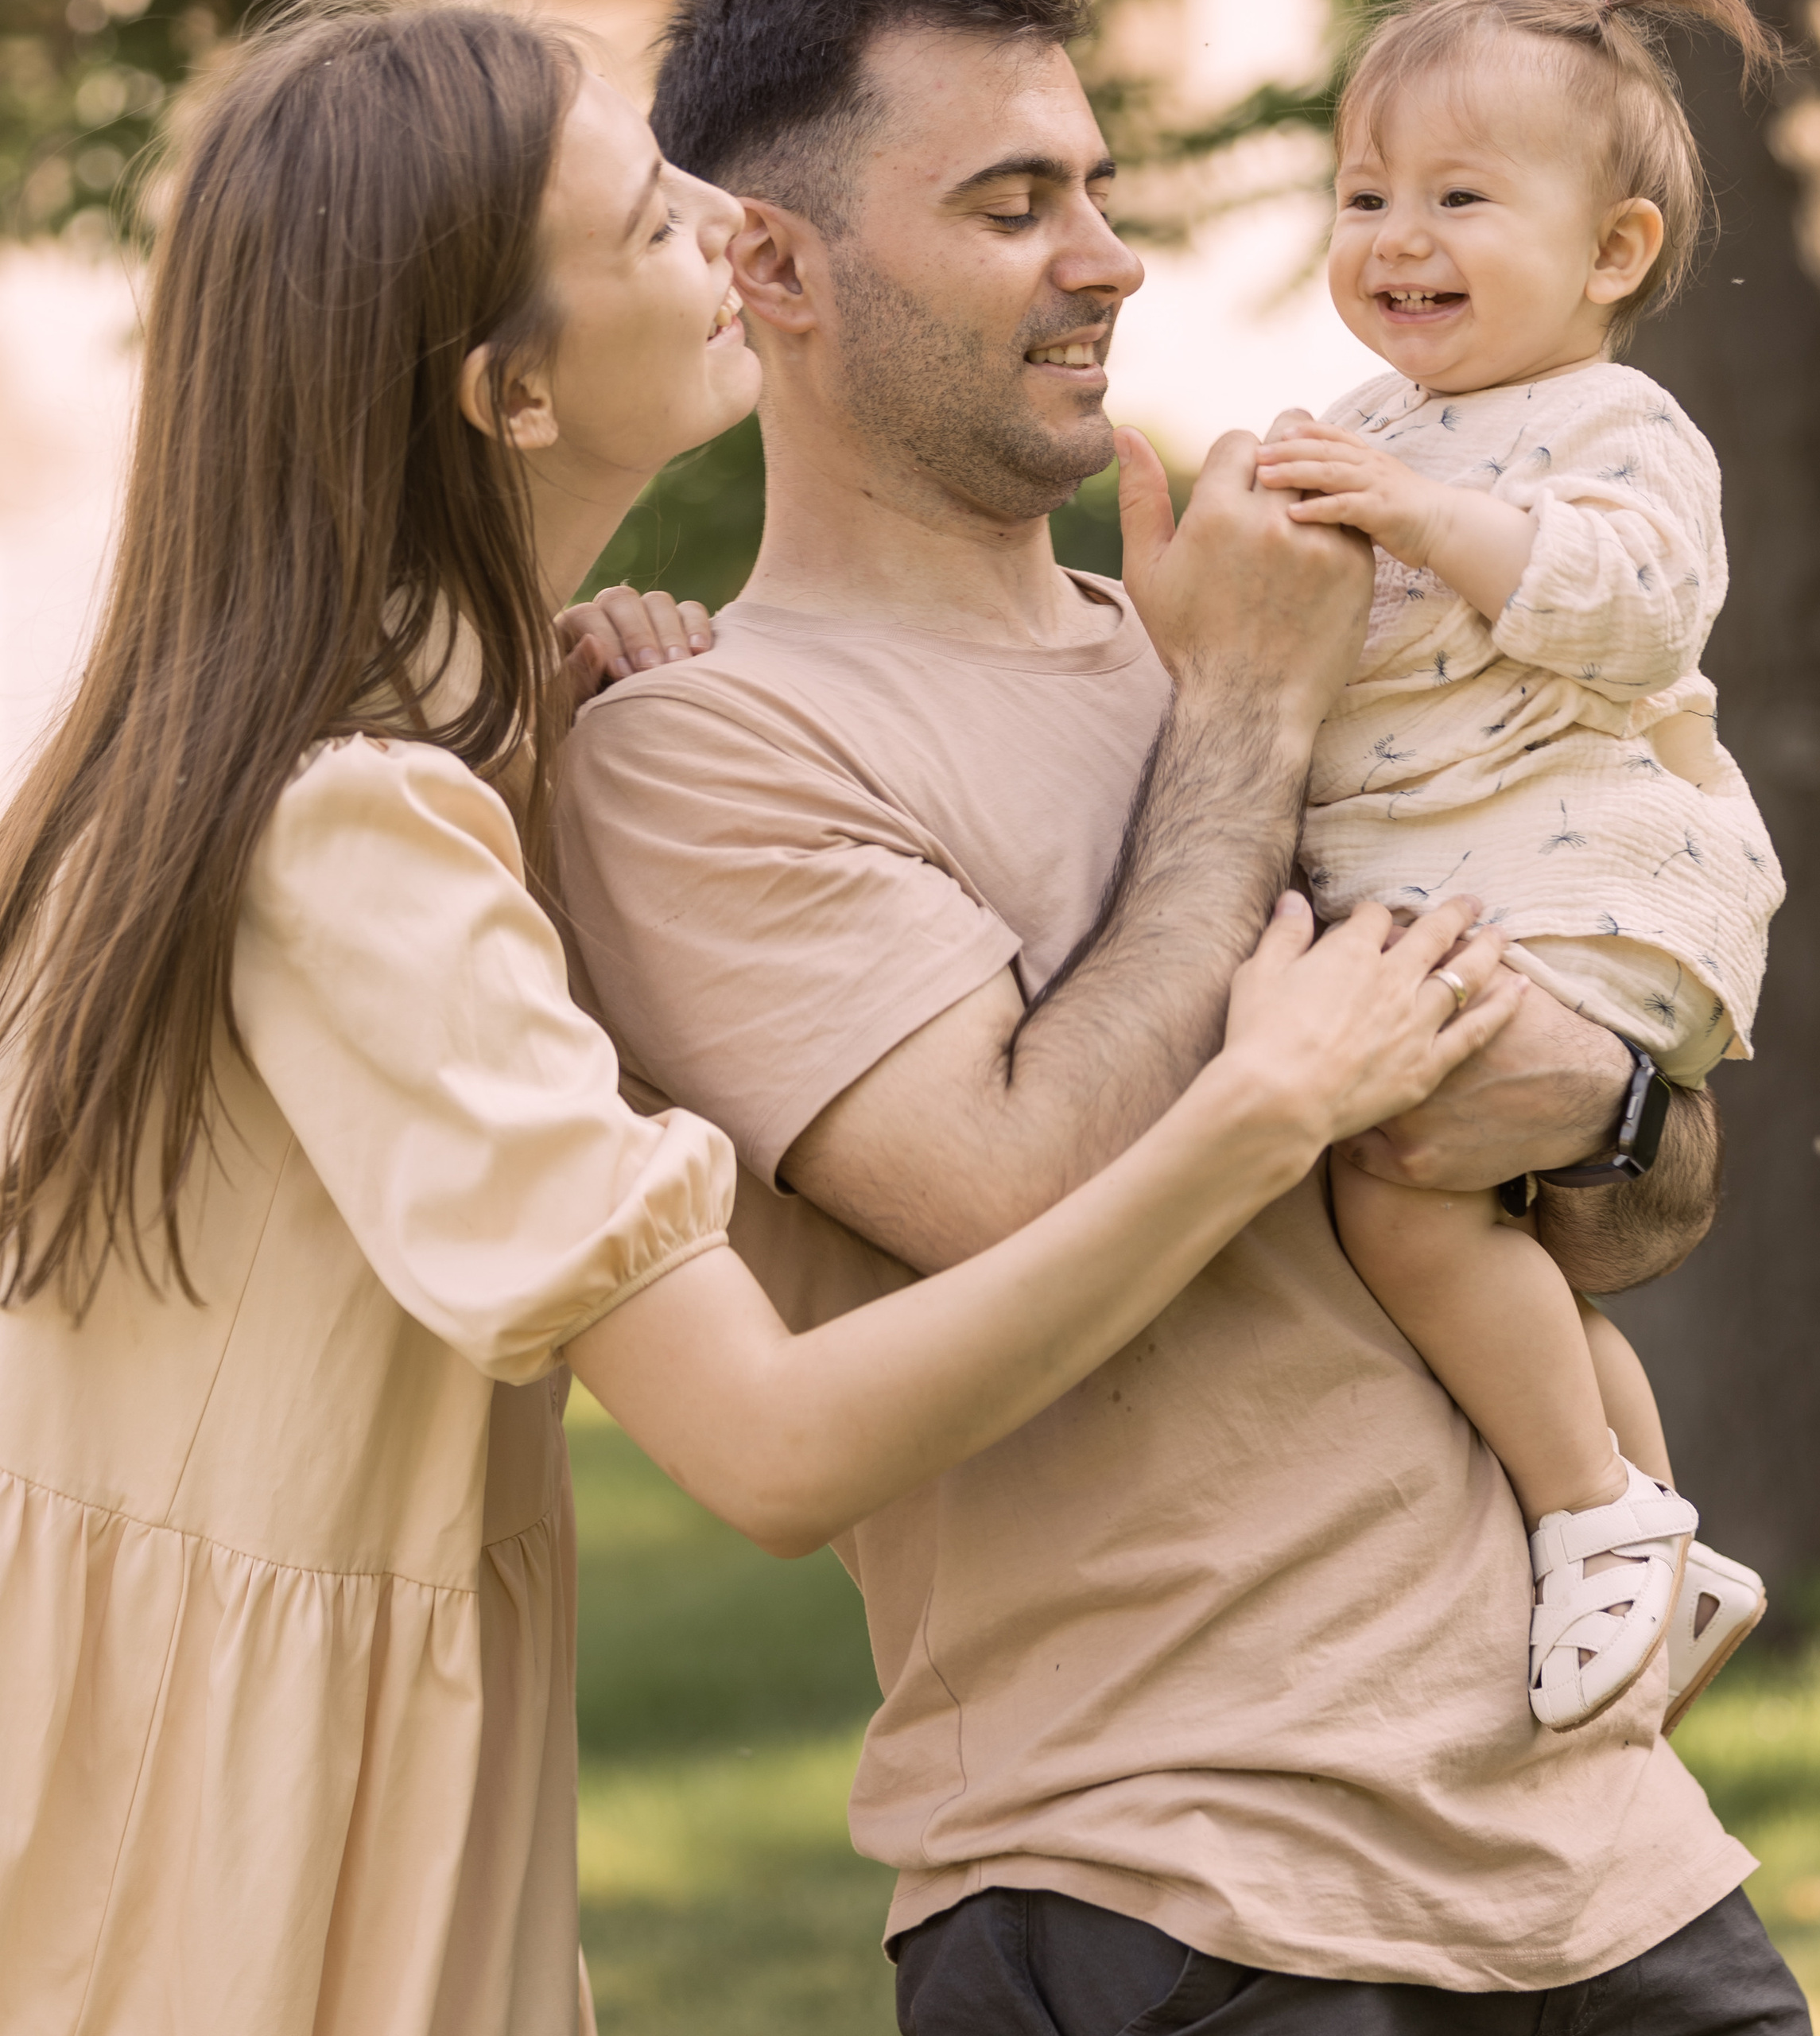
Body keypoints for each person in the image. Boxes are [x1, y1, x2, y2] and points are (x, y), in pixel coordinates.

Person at [0, 10, 1520, 2032]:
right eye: (652, 219)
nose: (734, 232)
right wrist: (1259, 1101)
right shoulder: (351, 824)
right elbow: (773, 1445)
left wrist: (551, 708)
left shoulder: (406, 748)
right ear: (508, 391)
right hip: (197, 1830)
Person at [552, 0, 1810, 2024]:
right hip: (1164, 1883)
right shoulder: (703, 746)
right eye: (1009, 202)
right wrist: (1242, 715)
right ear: (767, 265)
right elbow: (1003, 1188)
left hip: (1606, 1857)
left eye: (1101, 189)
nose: (1107, 259)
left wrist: (1602, 1106)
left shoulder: (1263, 624)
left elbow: (1631, 1193)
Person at [1251, 0, 1786, 1735]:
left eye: (1460, 198)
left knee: (1399, 1195)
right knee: (1496, 1256)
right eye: (1361, 195)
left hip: (1588, 883)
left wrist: (1414, 519)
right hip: (1472, 881)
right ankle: (1652, 1524)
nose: (1398, 235)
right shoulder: (1367, 414)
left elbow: (1635, 615)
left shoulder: (1615, 422)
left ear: (1611, 249)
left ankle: (1587, 1509)